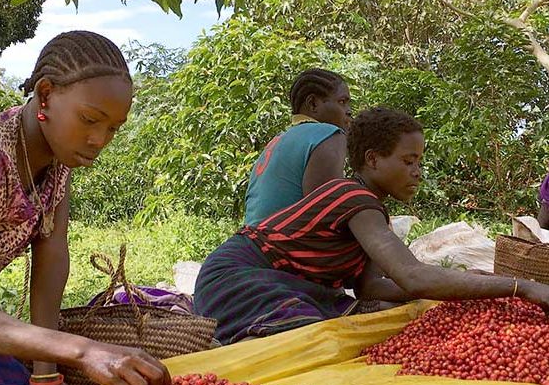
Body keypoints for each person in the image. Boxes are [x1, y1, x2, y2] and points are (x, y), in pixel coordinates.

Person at [0, 31, 170, 385]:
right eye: (90, 119)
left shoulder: (55, 165)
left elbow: (52, 264)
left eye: (112, 128)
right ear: (45, 93)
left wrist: (46, 373)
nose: (99, 139)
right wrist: (84, 350)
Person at [195, 107, 549, 344]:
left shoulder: (370, 211)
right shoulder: (354, 198)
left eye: (420, 162)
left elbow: (371, 288)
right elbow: (412, 275)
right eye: (408, 160)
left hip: (271, 282)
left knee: (361, 319)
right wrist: (521, 287)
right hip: (237, 279)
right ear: (373, 159)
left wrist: (476, 285)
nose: (417, 172)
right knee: (320, 337)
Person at [244, 68, 352, 226]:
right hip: (281, 246)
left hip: (251, 243)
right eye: (342, 102)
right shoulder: (328, 134)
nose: (349, 111)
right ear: (313, 104)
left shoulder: (279, 140)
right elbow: (326, 216)